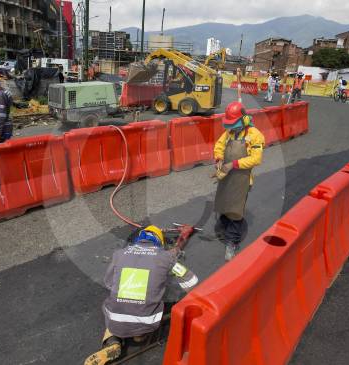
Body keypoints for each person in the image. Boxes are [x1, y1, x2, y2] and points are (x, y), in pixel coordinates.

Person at [84, 225, 198, 365]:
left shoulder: (119, 254)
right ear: (159, 243)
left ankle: (112, 341)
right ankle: (140, 335)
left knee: (114, 304)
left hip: (116, 320)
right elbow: (192, 282)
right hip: (148, 321)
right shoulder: (165, 257)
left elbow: (108, 283)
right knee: (162, 292)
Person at [214, 101, 264, 261]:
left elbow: (256, 159)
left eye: (233, 125)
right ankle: (222, 229)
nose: (230, 129)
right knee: (223, 203)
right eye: (229, 125)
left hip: (241, 179)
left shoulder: (255, 135)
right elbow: (219, 145)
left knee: (235, 210)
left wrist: (234, 164)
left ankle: (231, 242)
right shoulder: (229, 133)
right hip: (226, 175)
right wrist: (219, 158)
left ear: (244, 120)